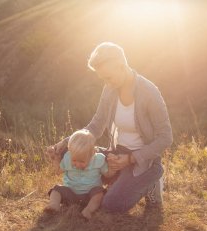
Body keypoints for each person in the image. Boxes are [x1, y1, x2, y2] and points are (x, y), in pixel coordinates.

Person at [47, 42, 173, 213]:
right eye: (103, 79)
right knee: (68, 152)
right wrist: (66, 142)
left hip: (143, 160)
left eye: (108, 77)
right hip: (115, 156)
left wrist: (130, 160)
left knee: (111, 205)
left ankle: (151, 183)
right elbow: (96, 125)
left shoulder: (149, 92)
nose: (106, 83)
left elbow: (166, 137)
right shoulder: (110, 88)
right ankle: (120, 180)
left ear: (121, 66)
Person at [45, 129, 115, 219]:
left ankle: (88, 210)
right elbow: (58, 171)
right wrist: (55, 159)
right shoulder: (67, 157)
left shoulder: (98, 160)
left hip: (89, 195)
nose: (77, 164)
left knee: (99, 193)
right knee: (56, 189)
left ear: (92, 154)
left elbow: (108, 174)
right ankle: (54, 205)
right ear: (70, 152)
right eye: (74, 160)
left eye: (82, 161)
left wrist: (113, 167)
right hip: (70, 193)